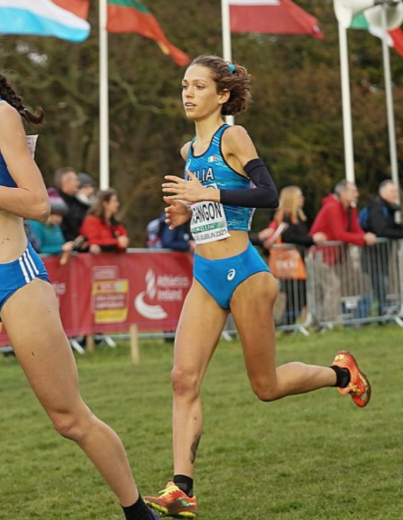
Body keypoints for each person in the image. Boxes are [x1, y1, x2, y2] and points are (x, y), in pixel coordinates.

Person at [0, 11, 161, 520]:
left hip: (16, 279)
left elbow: (39, 204)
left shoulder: (1, 117)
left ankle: (139, 514)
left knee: (69, 419)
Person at [143, 55, 371, 519]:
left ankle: (342, 374)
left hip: (246, 274)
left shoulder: (233, 137)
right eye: (184, 85)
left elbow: (267, 193)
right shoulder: (189, 151)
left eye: (199, 86)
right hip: (206, 275)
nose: (188, 93)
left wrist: (207, 194)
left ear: (222, 95)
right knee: (182, 378)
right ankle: (181, 488)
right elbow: (211, 208)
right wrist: (187, 211)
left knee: (266, 387)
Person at [308, 181, 376, 323]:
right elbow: (339, 234)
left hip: (333, 255)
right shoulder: (332, 207)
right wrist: (363, 239)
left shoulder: (350, 209)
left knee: (327, 288)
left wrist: (364, 237)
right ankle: (328, 320)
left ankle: (322, 321)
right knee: (331, 286)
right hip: (321, 254)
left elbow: (355, 230)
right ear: (343, 193)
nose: (357, 194)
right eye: (353, 191)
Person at [264, 186, 326, 326]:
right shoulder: (285, 217)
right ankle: (285, 324)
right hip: (289, 263)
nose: (302, 199)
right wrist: (312, 239)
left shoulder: (295, 216)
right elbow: (289, 237)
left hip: (295, 262)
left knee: (298, 295)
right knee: (295, 294)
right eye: (299, 196)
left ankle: (286, 324)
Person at [360, 180, 403, 315]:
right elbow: (381, 230)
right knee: (380, 286)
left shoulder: (388, 209)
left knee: (381, 287)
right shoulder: (377, 208)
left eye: (396, 191)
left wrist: (401, 228)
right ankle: (366, 314)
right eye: (392, 191)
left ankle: (380, 314)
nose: (395, 194)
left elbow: (389, 226)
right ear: (383, 192)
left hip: (381, 256)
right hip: (373, 256)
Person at [79, 189, 129, 254]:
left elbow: (124, 241)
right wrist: (116, 242)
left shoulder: (116, 224)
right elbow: (92, 242)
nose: (117, 204)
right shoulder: (91, 221)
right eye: (114, 201)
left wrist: (121, 243)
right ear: (105, 204)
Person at [51, 168, 89, 241]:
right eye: (75, 180)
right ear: (65, 183)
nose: (78, 183)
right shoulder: (55, 203)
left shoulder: (78, 202)